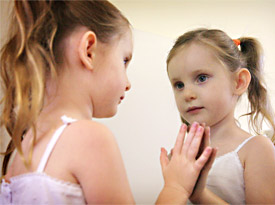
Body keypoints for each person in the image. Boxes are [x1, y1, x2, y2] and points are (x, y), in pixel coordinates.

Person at [0, 1, 215, 204]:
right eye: (124, 60)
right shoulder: (89, 137)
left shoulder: (24, 145)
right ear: (89, 51)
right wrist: (176, 187)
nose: (128, 83)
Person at [166, 28, 275, 204]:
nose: (187, 94)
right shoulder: (186, 153)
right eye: (179, 85)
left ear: (239, 82)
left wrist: (200, 195)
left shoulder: (257, 148)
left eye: (201, 78)